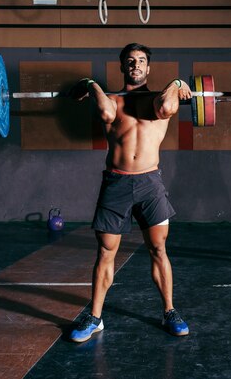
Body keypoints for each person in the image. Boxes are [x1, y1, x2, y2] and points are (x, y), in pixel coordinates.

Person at [68, 43, 192, 342]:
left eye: (141, 61)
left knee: (158, 249)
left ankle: (169, 311)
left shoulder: (160, 99)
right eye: (130, 61)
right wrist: (91, 83)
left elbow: (165, 108)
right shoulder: (110, 99)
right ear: (123, 67)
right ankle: (95, 317)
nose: (135, 65)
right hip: (117, 183)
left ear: (148, 68)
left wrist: (176, 83)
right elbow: (105, 113)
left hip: (150, 184)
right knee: (106, 252)